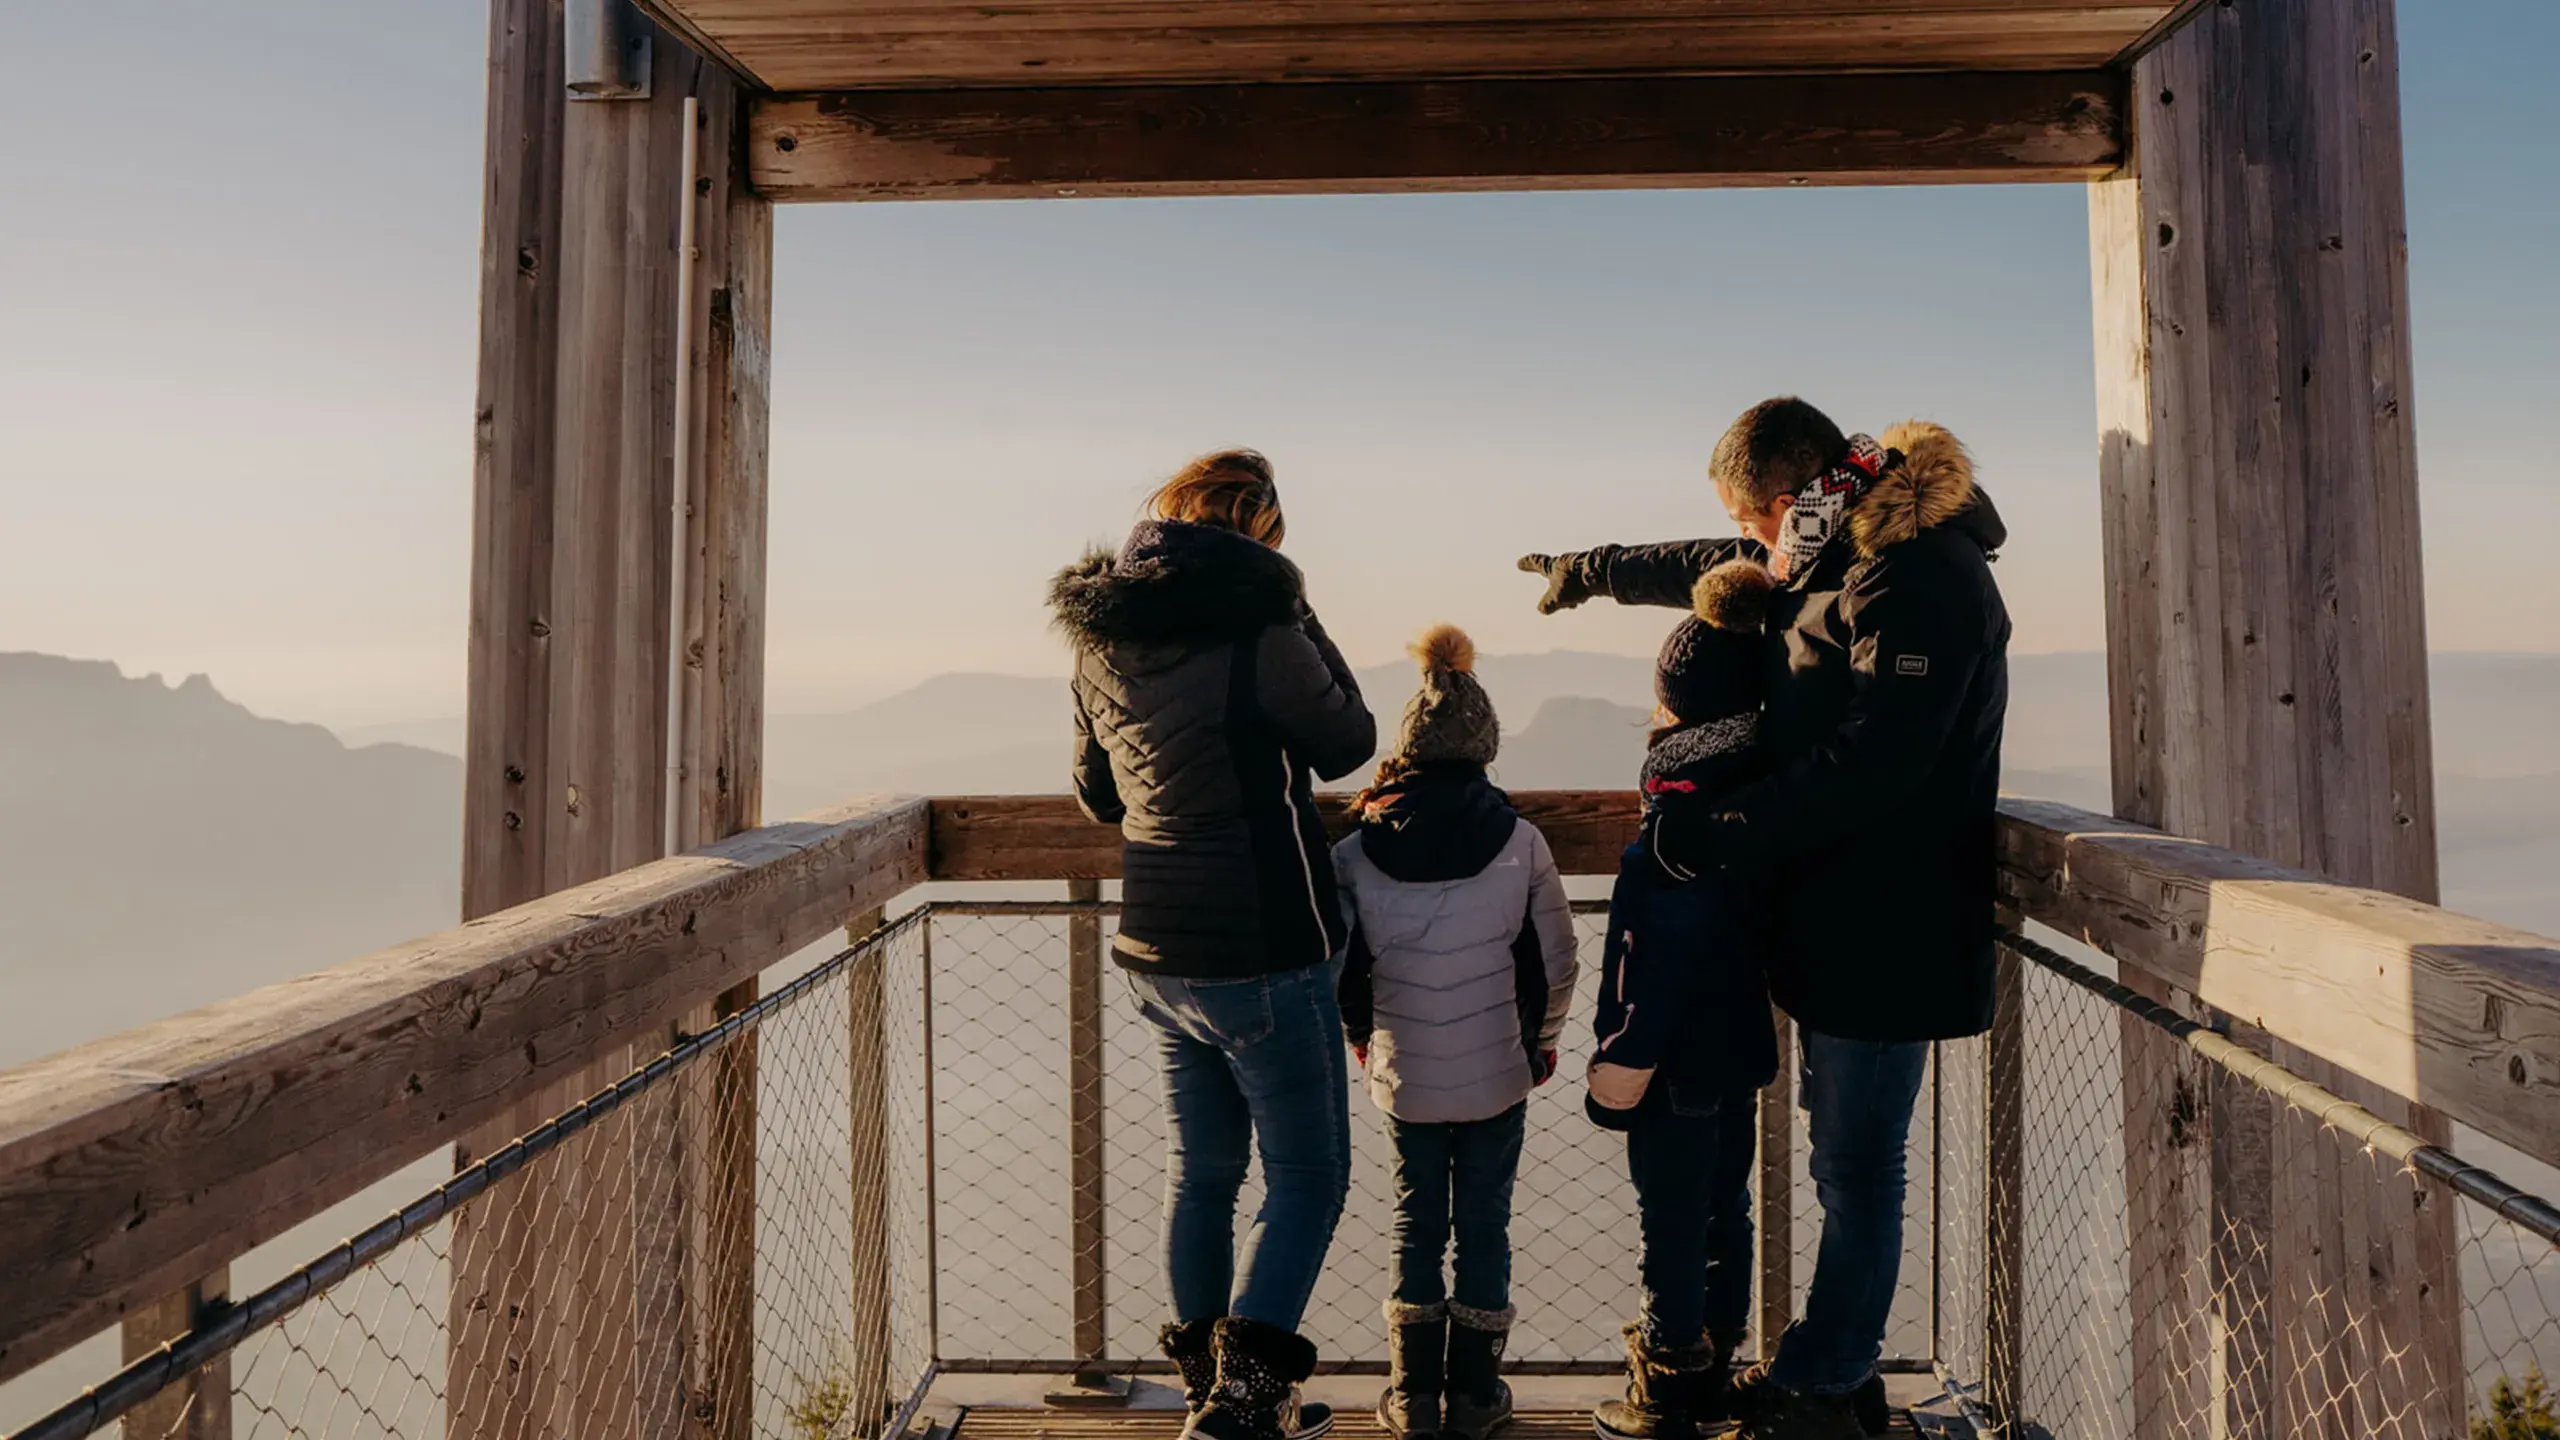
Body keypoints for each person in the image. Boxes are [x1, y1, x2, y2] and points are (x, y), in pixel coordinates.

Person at [1519, 399, 2010, 1440]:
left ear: (1786, 496)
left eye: (1753, 517)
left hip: (1893, 916)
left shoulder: (1913, 576)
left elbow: (1884, 760)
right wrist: (1596, 567)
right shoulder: (1840, 544)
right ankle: (1822, 1368)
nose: (1751, 540)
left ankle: (1828, 1385)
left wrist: (1727, 826)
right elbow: (1716, 560)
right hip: (1842, 911)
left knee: (1856, 1164)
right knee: (1845, 1154)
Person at [1052, 449, 1377, 1440]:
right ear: (1257, 524)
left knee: (1202, 1172)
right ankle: (1240, 1407)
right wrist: (1294, 603)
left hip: (1157, 941)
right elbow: (1348, 740)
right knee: (1309, 1179)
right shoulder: (1262, 622)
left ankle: (1207, 1386)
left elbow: (1099, 794)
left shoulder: (1102, 634)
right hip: (1267, 934)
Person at [1331, 625, 1579, 1440]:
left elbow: (1341, 965)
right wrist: (1540, 1041)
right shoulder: (1521, 841)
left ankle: (1411, 1396)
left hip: (1404, 1068)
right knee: (1484, 1221)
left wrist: (1363, 1040)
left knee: (1413, 1222)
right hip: (1499, 1069)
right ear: (1484, 751)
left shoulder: (1355, 850)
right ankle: (1475, 1395)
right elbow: (1557, 956)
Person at [1582, 560, 1784, 1440]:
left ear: (1677, 706)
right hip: (1738, 1043)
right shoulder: (1757, 799)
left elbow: (1647, 959)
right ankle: (1717, 1355)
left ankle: (1666, 1378)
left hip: (1673, 1057)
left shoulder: (1674, 830)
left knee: (1669, 1211)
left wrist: (1621, 1060)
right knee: (1725, 1205)